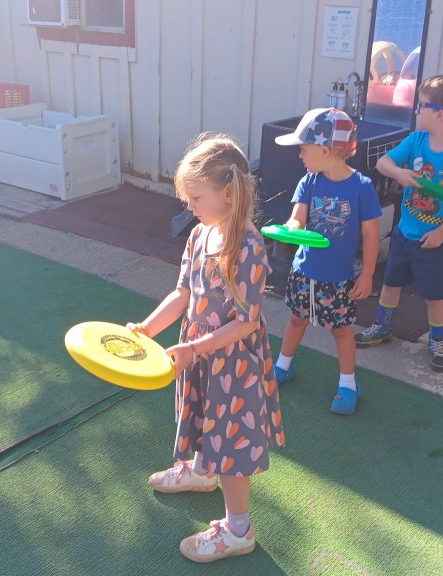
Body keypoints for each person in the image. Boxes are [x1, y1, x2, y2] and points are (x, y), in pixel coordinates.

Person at [127, 133, 284, 563]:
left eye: (196, 197)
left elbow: (245, 322)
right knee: (200, 417)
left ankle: (238, 529)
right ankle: (200, 472)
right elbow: (182, 294)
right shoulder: (199, 235)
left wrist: (194, 348)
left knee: (230, 443)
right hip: (200, 353)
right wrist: (147, 328)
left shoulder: (248, 248)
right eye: (187, 199)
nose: (189, 206)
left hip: (232, 364)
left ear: (228, 193)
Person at [354, 73, 443, 372]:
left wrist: (442, 232)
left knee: (435, 297)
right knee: (390, 283)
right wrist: (400, 173)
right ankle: (382, 326)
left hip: (437, 244)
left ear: (439, 115)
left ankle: (437, 340)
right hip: (405, 233)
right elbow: (382, 163)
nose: (415, 110)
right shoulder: (416, 141)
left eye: (421, 105)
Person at [271, 107, 382, 416]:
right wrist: (290, 228)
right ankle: (283, 366)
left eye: (304, 149)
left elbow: (371, 235)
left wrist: (367, 274)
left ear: (325, 150)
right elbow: (297, 218)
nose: (300, 156)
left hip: (338, 278)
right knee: (297, 319)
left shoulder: (362, 187)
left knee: (341, 330)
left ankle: (348, 384)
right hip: (304, 272)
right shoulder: (309, 182)